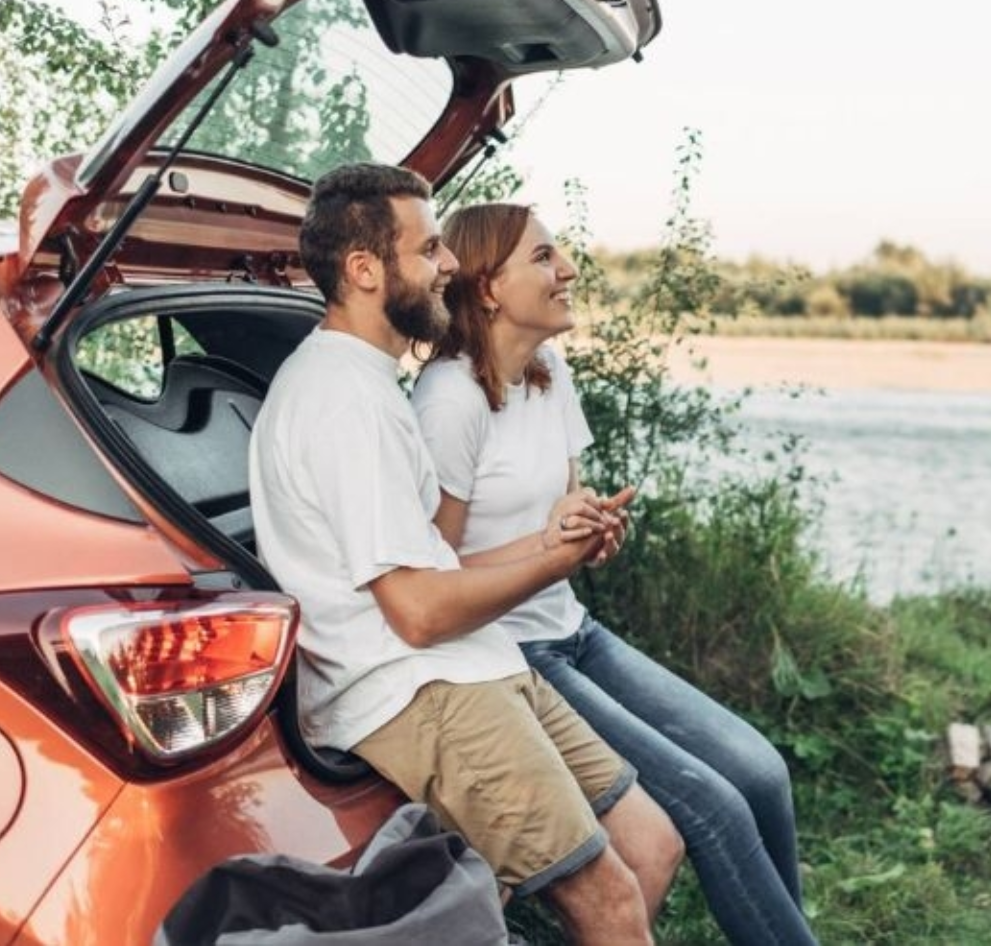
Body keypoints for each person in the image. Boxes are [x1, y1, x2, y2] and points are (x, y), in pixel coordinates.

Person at [247, 164, 683, 945]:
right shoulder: (343, 401)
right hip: (416, 691)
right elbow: (415, 612)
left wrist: (551, 539)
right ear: (364, 269)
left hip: (476, 661)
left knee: (652, 844)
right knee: (611, 899)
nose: (450, 264)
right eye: (430, 249)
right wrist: (551, 565)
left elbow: (431, 562)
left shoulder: (368, 381)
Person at [411, 202, 818, 946]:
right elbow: (432, 577)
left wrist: (587, 526)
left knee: (761, 773)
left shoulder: (548, 372)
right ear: (489, 287)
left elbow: (564, 501)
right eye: (544, 257)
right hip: (507, 653)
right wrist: (548, 547)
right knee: (714, 809)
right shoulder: (448, 401)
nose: (568, 269)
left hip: (571, 626)